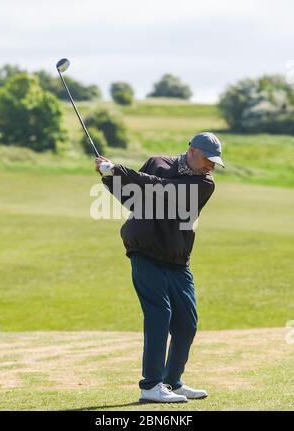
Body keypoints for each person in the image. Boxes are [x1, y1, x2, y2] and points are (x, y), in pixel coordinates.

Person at [94, 132, 224, 403]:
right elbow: (132, 195)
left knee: (187, 323)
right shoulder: (157, 162)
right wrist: (109, 176)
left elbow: (163, 189)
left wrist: (121, 170)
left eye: (214, 162)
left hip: (177, 257)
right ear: (192, 151)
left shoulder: (204, 183)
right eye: (208, 160)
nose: (212, 166)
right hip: (144, 249)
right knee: (159, 314)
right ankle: (151, 385)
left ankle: (172, 382)